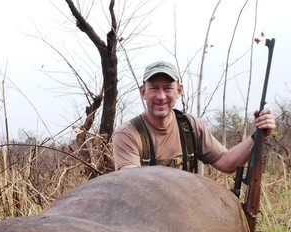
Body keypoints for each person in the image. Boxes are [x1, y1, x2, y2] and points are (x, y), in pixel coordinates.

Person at [112, 61, 277, 172]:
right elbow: (131, 184)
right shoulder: (128, 134)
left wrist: (257, 135)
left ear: (179, 91)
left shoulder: (191, 126)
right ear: (143, 92)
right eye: (154, 88)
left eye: (168, 88)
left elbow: (226, 162)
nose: (161, 96)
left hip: (189, 212)